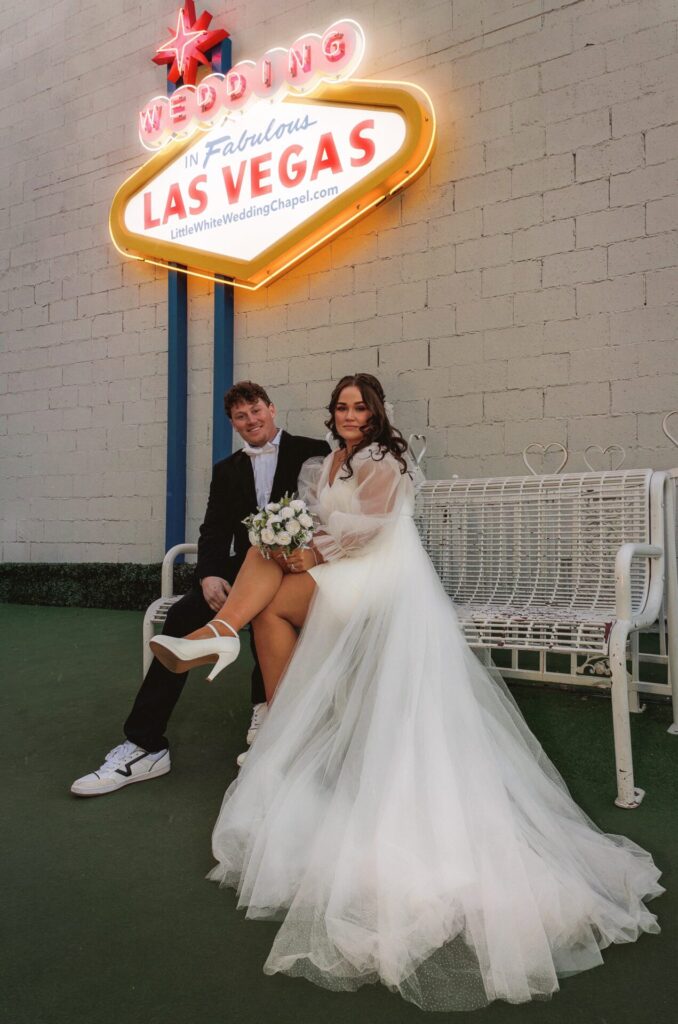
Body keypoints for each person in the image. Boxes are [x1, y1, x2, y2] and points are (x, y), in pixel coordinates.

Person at [148, 374, 662, 1011]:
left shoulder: (385, 458)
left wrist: (314, 551)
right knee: (270, 585)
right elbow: (312, 517)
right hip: (343, 571)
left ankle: (228, 649)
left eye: (360, 406)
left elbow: (376, 529)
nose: (350, 415)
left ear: (376, 412)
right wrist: (295, 540)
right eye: (341, 407)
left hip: (383, 579)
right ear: (331, 414)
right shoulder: (322, 460)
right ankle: (241, 658)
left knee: (274, 583)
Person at [70, 381, 329, 797]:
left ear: (272, 409)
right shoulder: (226, 470)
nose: (251, 421)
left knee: (266, 610)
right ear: (233, 423)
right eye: (241, 417)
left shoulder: (312, 450)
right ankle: (145, 744)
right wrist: (208, 575)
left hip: (299, 565)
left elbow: (330, 514)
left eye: (256, 411)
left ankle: (264, 708)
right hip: (247, 564)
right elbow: (213, 530)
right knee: (181, 614)